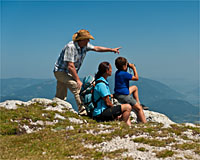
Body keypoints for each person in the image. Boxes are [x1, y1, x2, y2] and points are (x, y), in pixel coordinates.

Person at [53, 29, 121, 115]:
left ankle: (56, 107)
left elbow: (96, 48)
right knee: (76, 87)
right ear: (81, 40)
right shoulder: (70, 47)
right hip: (61, 72)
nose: (89, 41)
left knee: (60, 94)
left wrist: (111, 50)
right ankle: (83, 111)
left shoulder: (84, 46)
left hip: (68, 72)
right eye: (87, 39)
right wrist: (78, 80)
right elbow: (70, 66)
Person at [92, 61, 132, 126]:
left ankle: (129, 128)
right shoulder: (101, 84)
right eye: (110, 69)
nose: (111, 70)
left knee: (125, 112)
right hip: (100, 114)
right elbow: (107, 102)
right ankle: (122, 126)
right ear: (107, 71)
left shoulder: (102, 81)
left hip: (102, 111)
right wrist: (115, 111)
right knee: (128, 107)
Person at [114, 57, 147, 123]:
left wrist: (126, 66)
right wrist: (133, 68)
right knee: (139, 109)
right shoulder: (124, 74)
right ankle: (144, 123)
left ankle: (138, 103)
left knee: (135, 87)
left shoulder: (117, 72)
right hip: (124, 96)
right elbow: (136, 78)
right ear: (124, 66)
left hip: (118, 93)